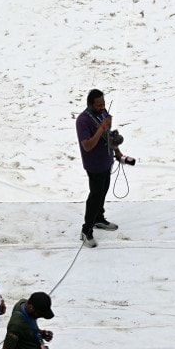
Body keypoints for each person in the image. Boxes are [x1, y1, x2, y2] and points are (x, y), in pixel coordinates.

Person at [76, 89, 128, 247]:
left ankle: (98, 218)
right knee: (95, 196)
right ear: (90, 104)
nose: (102, 107)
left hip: (106, 161)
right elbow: (87, 146)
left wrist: (118, 152)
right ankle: (86, 231)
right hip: (94, 165)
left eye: (103, 104)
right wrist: (101, 128)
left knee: (103, 191)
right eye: (98, 105)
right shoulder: (83, 121)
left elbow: (109, 137)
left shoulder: (103, 113)